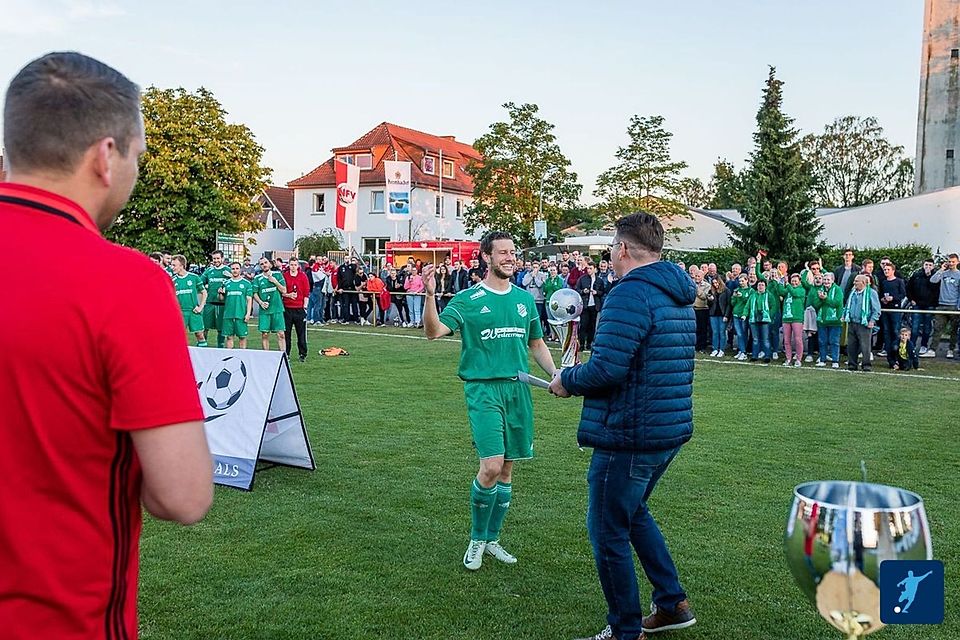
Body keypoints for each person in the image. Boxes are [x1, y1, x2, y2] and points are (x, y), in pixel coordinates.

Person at [0, 51, 212, 639]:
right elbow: (183, 496)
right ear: (106, 156)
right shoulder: (125, 283)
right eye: (139, 157)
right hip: (57, 616)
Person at [550, 213, 696, 640]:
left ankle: (624, 630)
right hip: (665, 428)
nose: (611, 256)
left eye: (612, 248)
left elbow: (609, 368)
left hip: (631, 432)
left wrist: (568, 380)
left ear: (623, 249)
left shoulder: (630, 294)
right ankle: (671, 604)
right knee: (632, 514)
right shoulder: (675, 291)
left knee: (607, 529)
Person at [422, 231, 557, 571]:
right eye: (503, 253)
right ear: (486, 257)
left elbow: (536, 344)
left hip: (518, 390)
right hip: (483, 390)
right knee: (491, 467)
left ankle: (493, 539)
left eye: (513, 252)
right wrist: (429, 296)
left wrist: (556, 375)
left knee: (508, 469)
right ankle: (477, 538)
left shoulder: (525, 300)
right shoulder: (468, 299)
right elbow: (434, 331)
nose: (510, 257)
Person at [843, 275, 881, 372]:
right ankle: (852, 364)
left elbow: (876, 309)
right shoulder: (852, 293)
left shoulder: (871, 293)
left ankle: (866, 365)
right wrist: (844, 315)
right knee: (851, 345)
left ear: (863, 283)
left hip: (864, 323)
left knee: (865, 346)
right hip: (852, 322)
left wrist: (872, 320)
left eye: (856, 281)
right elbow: (848, 305)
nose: (854, 283)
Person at [928, 253, 960, 358]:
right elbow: (933, 280)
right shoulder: (944, 273)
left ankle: (950, 350)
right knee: (937, 328)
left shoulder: (959, 275)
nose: (951, 263)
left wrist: (958, 306)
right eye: (949, 261)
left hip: (954, 306)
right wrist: (941, 269)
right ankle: (932, 349)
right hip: (941, 304)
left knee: (953, 330)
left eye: (953, 262)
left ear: (957, 262)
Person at [253, 256, 287, 351]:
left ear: (270, 264)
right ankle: (266, 356)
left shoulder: (278, 275)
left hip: (277, 308)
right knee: (265, 334)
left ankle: (283, 355)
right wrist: (260, 302)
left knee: (281, 334)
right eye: (262, 264)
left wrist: (275, 282)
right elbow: (254, 293)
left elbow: (284, 290)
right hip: (265, 310)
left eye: (265, 262)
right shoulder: (257, 278)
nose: (264, 265)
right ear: (260, 266)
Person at [172, 255, 208, 346]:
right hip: (180, 313)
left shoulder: (194, 277)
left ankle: (203, 357)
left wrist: (200, 307)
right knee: (178, 337)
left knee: (200, 335)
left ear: (182, 265)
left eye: (174, 265)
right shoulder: (173, 280)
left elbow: (204, 292)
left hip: (193, 311)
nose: (172, 268)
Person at [906, 258, 939, 356]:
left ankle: (924, 345)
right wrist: (911, 299)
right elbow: (909, 287)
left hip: (929, 305)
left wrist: (929, 277)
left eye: (930, 265)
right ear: (923, 265)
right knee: (915, 327)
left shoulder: (936, 276)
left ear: (933, 266)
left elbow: (936, 290)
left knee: (927, 327)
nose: (928, 267)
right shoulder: (916, 275)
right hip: (917, 305)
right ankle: (911, 346)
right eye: (926, 265)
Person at [201, 250, 231, 348]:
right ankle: (203, 345)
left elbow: (236, 280)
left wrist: (231, 276)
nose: (216, 260)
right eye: (214, 258)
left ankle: (220, 347)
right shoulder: (209, 270)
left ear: (222, 258)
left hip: (223, 304)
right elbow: (200, 283)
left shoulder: (228, 270)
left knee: (221, 328)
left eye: (218, 258)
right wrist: (205, 287)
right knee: (204, 327)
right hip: (209, 303)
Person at [813, 272, 843, 368]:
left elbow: (836, 303)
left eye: (828, 280)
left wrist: (825, 299)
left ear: (832, 280)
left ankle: (835, 360)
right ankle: (822, 359)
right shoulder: (819, 290)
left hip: (835, 320)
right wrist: (821, 299)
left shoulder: (838, 290)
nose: (826, 281)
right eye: (824, 279)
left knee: (834, 341)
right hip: (822, 320)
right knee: (822, 341)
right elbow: (816, 305)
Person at [282, 258, 310, 362]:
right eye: (291, 264)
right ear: (289, 265)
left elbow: (306, 292)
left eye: (295, 265)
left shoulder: (303, 276)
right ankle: (286, 353)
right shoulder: (285, 276)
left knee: (301, 333)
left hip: (299, 309)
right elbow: (281, 291)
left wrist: (305, 307)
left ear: (298, 266)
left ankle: (302, 354)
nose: (293, 267)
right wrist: (288, 295)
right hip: (287, 308)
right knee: (286, 333)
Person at [220, 261, 253, 349]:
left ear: (240, 270)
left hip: (241, 314)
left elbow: (249, 299)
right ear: (230, 270)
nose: (235, 270)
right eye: (233, 269)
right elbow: (221, 299)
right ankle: (230, 358)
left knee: (242, 337)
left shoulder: (247, 283)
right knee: (229, 337)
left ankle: (242, 357)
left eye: (237, 268)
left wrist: (248, 313)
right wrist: (220, 293)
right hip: (228, 314)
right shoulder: (226, 283)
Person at [576, 261, 605, 351]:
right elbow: (577, 289)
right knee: (583, 325)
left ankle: (589, 343)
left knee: (591, 326)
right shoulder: (582, 279)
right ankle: (581, 344)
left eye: (590, 268)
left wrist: (597, 292)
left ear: (595, 269)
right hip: (585, 305)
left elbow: (602, 291)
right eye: (587, 268)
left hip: (594, 305)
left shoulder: (599, 280)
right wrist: (583, 291)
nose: (588, 270)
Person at [706, 276, 731, 357]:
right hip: (713, 314)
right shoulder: (711, 291)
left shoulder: (726, 291)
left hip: (722, 314)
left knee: (722, 332)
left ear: (720, 282)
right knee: (715, 332)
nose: (715, 285)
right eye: (713, 283)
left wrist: (726, 315)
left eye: (716, 283)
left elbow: (729, 304)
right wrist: (710, 300)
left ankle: (721, 349)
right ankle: (715, 349)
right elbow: (709, 305)